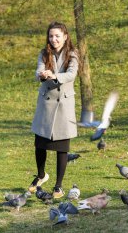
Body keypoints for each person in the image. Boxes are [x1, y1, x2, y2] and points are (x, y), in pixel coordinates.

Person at [29, 21, 79, 198]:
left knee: (62, 147)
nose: (54, 39)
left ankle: (58, 186)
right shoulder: (44, 53)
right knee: (40, 143)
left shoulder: (72, 54)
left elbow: (72, 74)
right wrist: (42, 75)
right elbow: (38, 71)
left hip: (64, 105)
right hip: (46, 103)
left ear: (65, 37)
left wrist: (54, 75)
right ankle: (41, 175)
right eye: (51, 36)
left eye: (57, 36)